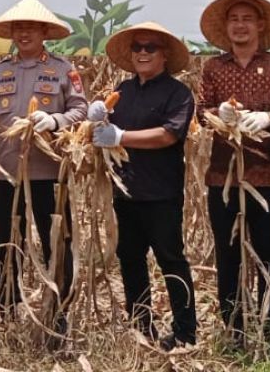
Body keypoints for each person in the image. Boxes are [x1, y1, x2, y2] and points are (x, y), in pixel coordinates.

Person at [0, 0, 86, 336]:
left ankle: (59, 313)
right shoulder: (0, 70)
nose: (24, 33)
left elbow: (81, 110)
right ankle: (7, 311)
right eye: (19, 27)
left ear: (44, 31)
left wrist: (55, 120)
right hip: (7, 175)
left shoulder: (63, 70)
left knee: (57, 245)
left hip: (49, 175)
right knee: (5, 242)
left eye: (31, 27)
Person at [91, 20, 196, 350]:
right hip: (126, 190)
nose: (143, 53)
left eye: (150, 47)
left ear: (164, 55)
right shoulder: (122, 92)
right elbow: (104, 134)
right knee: (130, 257)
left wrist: (122, 137)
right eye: (137, 47)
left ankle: (185, 332)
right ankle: (141, 327)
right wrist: (98, 121)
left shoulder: (178, 94)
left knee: (170, 259)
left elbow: (168, 134)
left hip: (161, 192)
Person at [197, 0, 270, 335]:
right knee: (228, 255)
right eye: (234, 20)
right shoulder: (213, 67)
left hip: (267, 175)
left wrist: (269, 117)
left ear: (260, 25)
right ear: (226, 28)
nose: (240, 26)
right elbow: (201, 111)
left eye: (246, 19)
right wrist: (218, 114)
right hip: (222, 175)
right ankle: (234, 327)